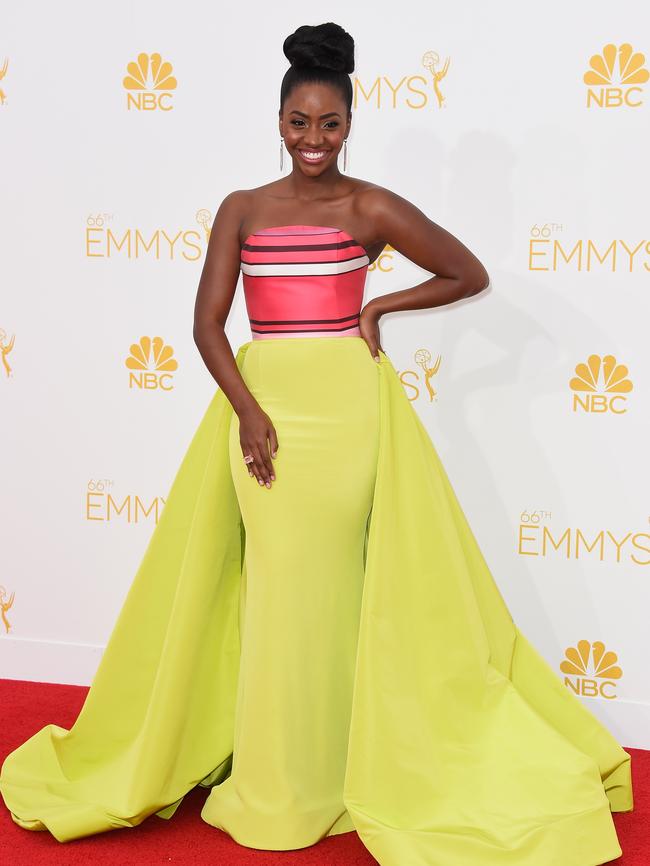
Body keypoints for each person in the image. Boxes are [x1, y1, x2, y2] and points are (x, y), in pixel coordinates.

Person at [0, 21, 633, 866]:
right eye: (299, 122)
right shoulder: (243, 208)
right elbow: (205, 324)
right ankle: (275, 775)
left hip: (347, 422)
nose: (313, 139)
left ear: (349, 122)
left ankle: (332, 772)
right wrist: (249, 411)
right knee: (274, 598)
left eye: (329, 124)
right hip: (261, 416)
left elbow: (467, 272)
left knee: (329, 598)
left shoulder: (367, 207)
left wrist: (377, 309)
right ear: (278, 120)